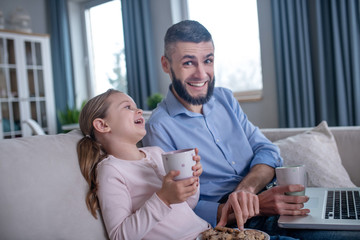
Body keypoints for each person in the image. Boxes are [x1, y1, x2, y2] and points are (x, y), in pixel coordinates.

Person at [142, 20, 360, 239]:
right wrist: (252, 205)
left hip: (272, 197)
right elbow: (175, 204)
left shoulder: (225, 99)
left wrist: (247, 191)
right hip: (240, 222)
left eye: (207, 61)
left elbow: (268, 150)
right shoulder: (160, 126)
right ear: (166, 64)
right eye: (189, 63)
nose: (202, 74)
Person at [77, 89, 210, 240]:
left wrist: (191, 181)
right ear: (102, 125)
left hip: (209, 233)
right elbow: (120, 236)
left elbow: (187, 205)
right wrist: (164, 199)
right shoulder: (111, 170)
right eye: (128, 107)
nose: (139, 110)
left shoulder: (156, 153)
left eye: (136, 106)